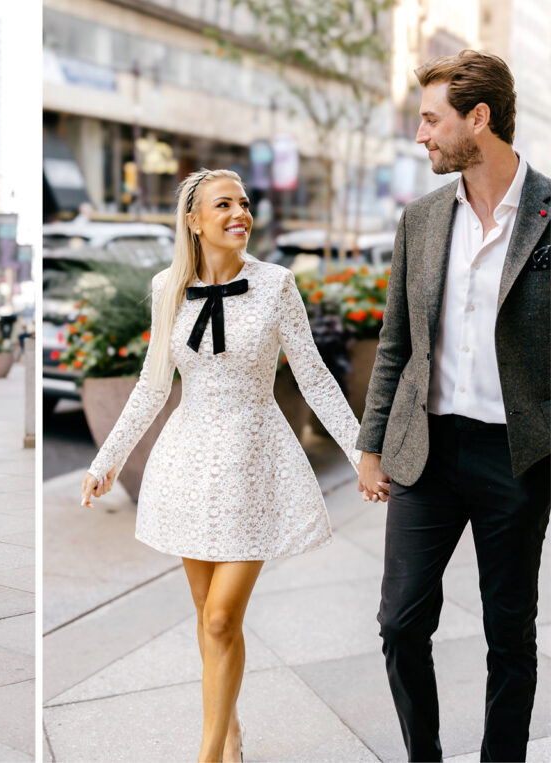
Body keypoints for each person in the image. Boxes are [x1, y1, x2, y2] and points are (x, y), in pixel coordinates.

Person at [81, 169, 365, 763]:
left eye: (243, 203)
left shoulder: (276, 284)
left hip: (254, 463)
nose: (240, 213)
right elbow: (152, 385)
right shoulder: (167, 287)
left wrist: (361, 451)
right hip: (189, 464)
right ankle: (230, 735)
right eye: (224, 204)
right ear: (193, 220)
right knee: (209, 618)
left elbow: (313, 375)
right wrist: (108, 460)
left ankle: (208, 757)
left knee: (219, 619)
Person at [356, 51, 550, 762]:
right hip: (425, 451)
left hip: (517, 456)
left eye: (431, 119)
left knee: (510, 632)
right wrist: (371, 443)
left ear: (479, 118)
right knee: (400, 622)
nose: (420, 135)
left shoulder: (550, 214)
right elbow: (396, 340)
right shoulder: (423, 219)